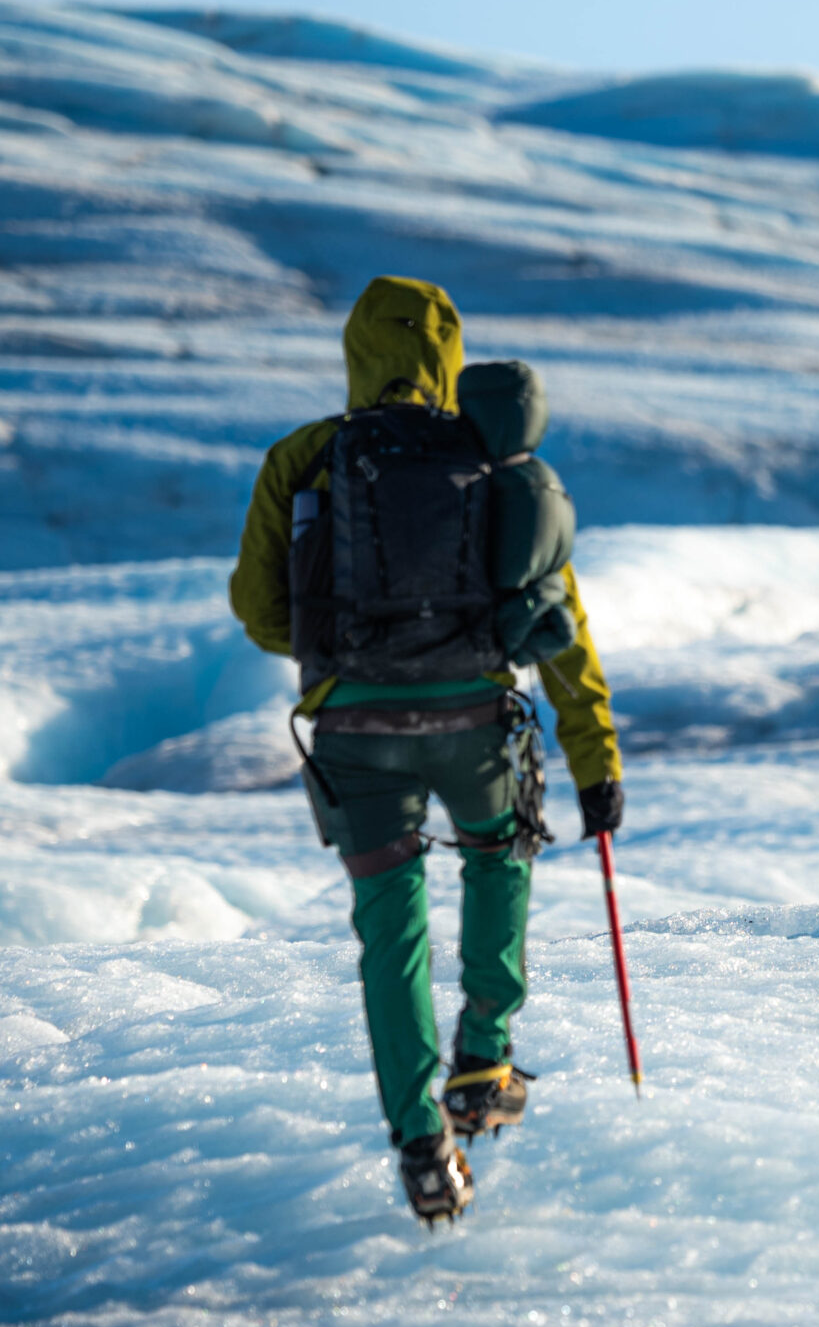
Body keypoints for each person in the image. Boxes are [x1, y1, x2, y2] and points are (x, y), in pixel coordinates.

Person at [230, 276, 624, 1225]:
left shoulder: (305, 455)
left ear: (358, 351)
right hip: (474, 722)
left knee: (390, 925)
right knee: (499, 855)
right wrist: (595, 760)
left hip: (357, 732)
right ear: (449, 355)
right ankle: (484, 1056)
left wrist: (348, 646)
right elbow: (558, 623)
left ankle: (419, 1142)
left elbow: (258, 613)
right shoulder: (493, 458)